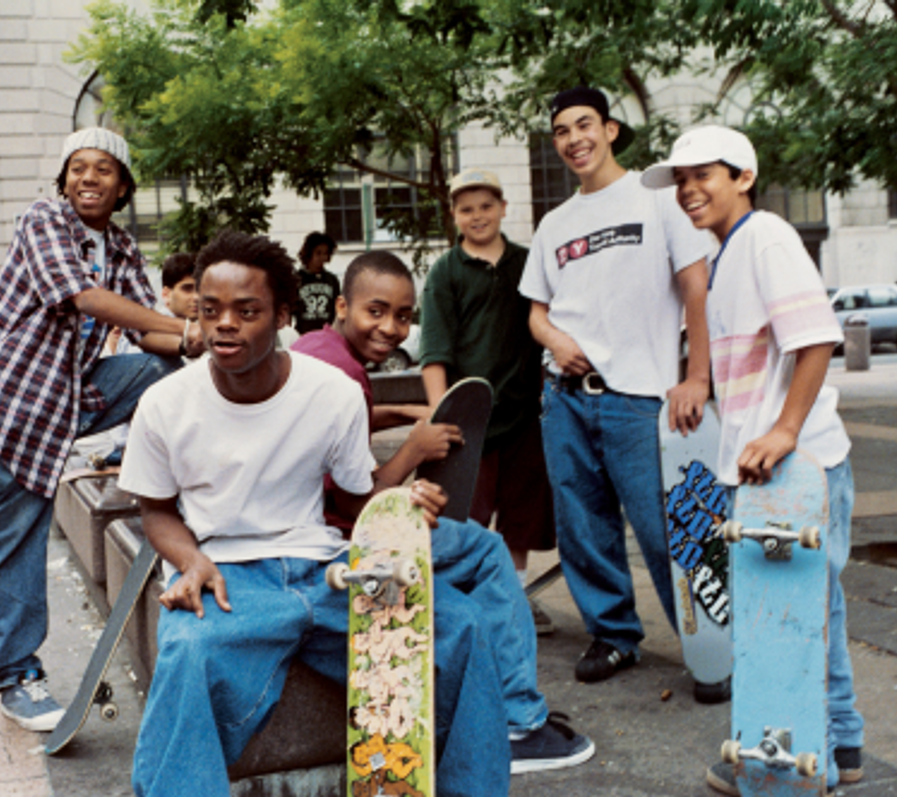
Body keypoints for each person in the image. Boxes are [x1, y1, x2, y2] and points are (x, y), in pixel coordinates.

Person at [119, 230, 510, 797]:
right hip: (230, 575)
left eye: (246, 311)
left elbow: (353, 499)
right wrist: (189, 560)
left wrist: (401, 508)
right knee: (186, 651)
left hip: (327, 568)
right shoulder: (164, 403)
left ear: (282, 315)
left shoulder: (332, 392)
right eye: (209, 310)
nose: (224, 324)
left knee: (462, 625)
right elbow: (156, 511)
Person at [292, 249, 595, 773]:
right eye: (375, 311)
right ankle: (518, 722)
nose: (390, 328)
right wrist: (414, 450)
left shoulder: (314, 349)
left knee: (465, 570)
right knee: (487, 550)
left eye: (403, 316)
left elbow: (347, 422)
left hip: (303, 525)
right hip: (340, 539)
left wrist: (400, 411)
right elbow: (360, 503)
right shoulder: (345, 376)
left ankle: (478, 704)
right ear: (342, 305)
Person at [0, 127, 202, 732]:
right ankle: (16, 677)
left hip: (64, 401)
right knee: (14, 540)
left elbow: (146, 332)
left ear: (123, 187)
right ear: (63, 182)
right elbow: (83, 297)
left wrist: (202, 344)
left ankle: (167, 466)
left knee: (165, 370)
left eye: (104, 169)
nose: (88, 178)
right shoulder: (44, 220)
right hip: (2, 408)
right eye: (78, 168)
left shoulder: (120, 247)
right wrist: (185, 327)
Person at [640, 124, 865, 795]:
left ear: (743, 177)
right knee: (807, 612)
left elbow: (816, 338)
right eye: (680, 180)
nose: (688, 190)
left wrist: (785, 430)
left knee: (795, 617)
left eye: (702, 175)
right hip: (765, 471)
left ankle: (807, 756)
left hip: (797, 467)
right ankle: (838, 744)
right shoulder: (725, 253)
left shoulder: (765, 235)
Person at [518, 86, 716, 690]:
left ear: (609, 130)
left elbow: (696, 288)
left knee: (667, 528)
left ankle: (710, 647)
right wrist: (556, 341)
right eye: (561, 131)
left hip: (641, 398)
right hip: (566, 399)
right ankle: (614, 636)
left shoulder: (657, 199)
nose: (573, 139)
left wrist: (697, 376)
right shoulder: (555, 223)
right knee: (583, 526)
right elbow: (536, 313)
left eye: (584, 125)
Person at [419, 167, 558, 635]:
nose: (477, 216)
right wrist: (442, 414)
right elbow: (435, 350)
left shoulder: (527, 262)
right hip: (470, 420)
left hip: (523, 413)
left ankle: (513, 595)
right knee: (465, 514)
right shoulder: (446, 271)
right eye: (466, 209)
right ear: (453, 215)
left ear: (502, 208)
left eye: (485, 206)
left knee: (521, 515)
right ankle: (461, 599)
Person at [292, 230, 340, 334]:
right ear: (309, 253)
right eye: (318, 253)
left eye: (325, 253)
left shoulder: (332, 280)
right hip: (304, 334)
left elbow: (337, 310)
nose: (322, 258)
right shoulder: (296, 279)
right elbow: (290, 310)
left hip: (327, 334)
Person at [160, 251, 199, 320]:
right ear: (166, 295)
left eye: (201, 289)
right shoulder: (157, 325)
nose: (197, 297)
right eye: (187, 289)